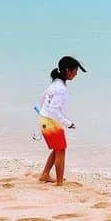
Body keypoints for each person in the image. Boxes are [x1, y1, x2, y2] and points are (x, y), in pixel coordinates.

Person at [37, 56, 86, 185]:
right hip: (50, 121)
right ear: (67, 70)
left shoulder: (55, 84)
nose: (76, 73)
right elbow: (54, 110)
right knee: (61, 150)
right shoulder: (61, 89)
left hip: (45, 119)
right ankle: (59, 183)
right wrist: (67, 123)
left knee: (57, 149)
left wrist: (43, 113)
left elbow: (41, 99)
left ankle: (45, 174)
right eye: (75, 70)